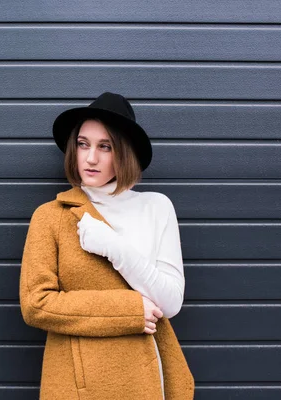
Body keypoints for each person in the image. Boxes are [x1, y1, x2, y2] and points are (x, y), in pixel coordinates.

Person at [19, 92, 195, 399]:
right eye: (83, 144)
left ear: (124, 152)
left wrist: (115, 246)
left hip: (146, 380)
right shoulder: (50, 216)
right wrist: (128, 310)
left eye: (105, 147)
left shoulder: (156, 207)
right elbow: (36, 304)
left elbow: (169, 303)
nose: (90, 158)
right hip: (78, 385)